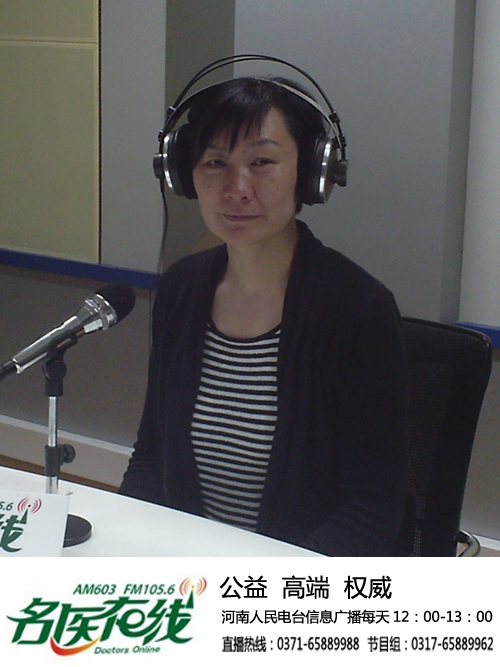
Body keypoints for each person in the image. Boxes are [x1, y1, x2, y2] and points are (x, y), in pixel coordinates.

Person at [119, 71, 408, 556]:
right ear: (183, 174)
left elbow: (369, 513)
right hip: (189, 571)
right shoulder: (180, 290)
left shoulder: (358, 309)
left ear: (311, 173)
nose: (237, 188)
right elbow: (151, 459)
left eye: (262, 162)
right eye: (215, 162)